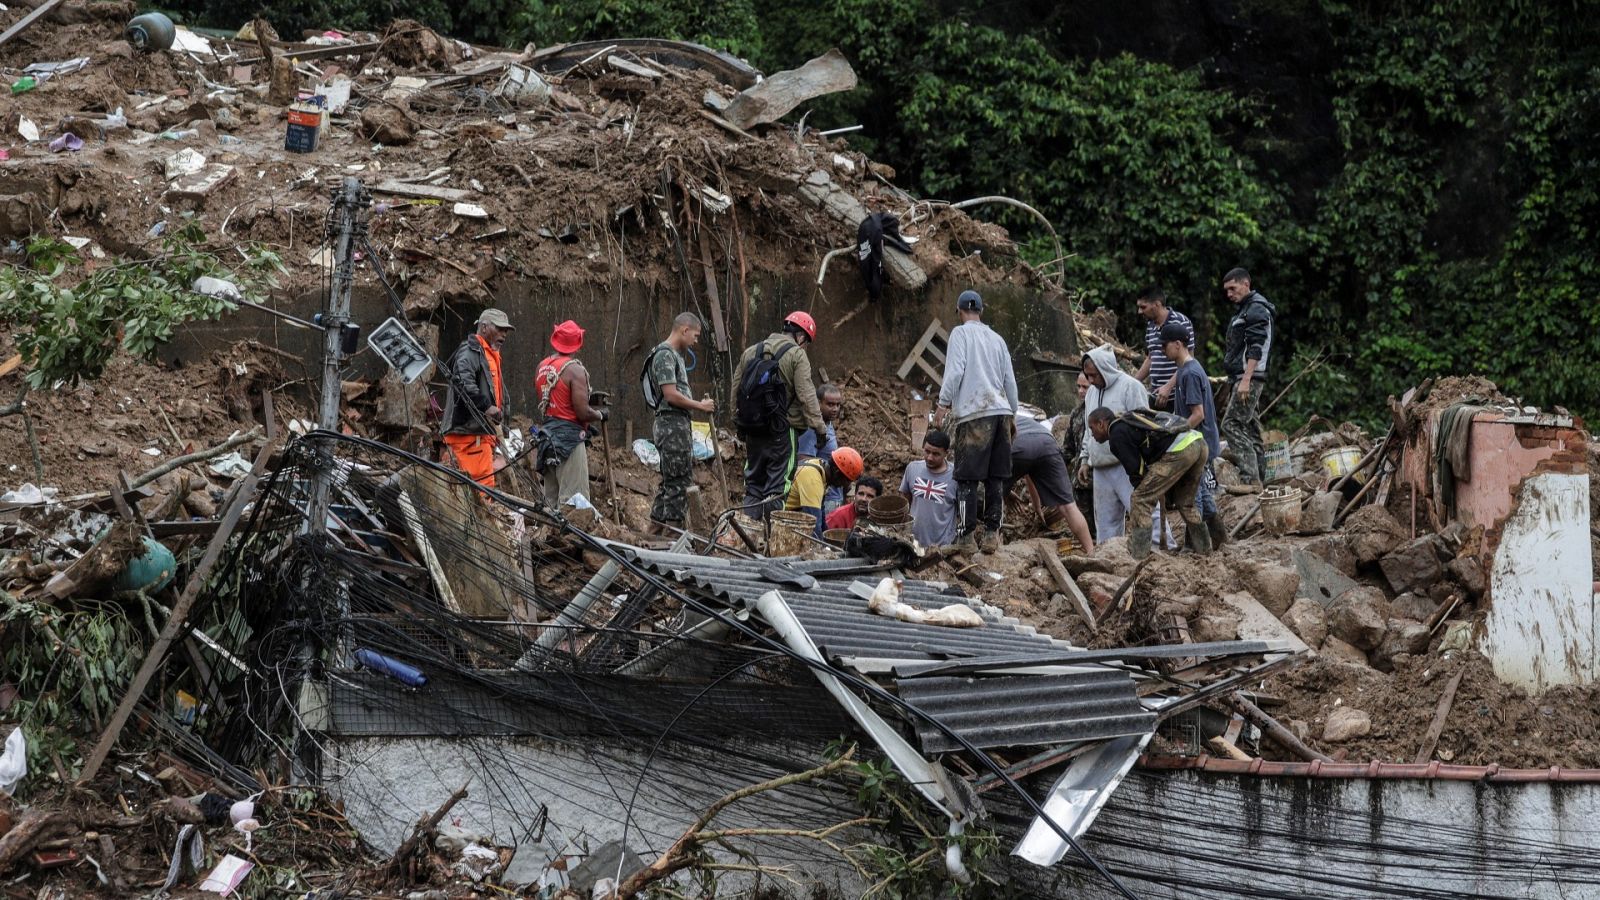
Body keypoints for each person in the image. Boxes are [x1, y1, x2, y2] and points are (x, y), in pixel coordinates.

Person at [933, 290, 1018, 553]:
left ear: (959, 310)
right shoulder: (997, 339)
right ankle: (992, 535)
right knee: (996, 478)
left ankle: (966, 537)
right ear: (981, 310)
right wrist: (1012, 413)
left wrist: (942, 404)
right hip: (1001, 413)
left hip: (974, 414)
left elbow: (956, 370)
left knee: (967, 478)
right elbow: (1009, 381)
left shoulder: (960, 334)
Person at [1087, 407, 1211, 560]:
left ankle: (1138, 556)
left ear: (1101, 424)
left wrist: (1145, 490)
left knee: (1139, 500)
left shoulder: (1116, 435)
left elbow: (1136, 470)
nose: (1092, 435)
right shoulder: (1127, 420)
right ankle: (1205, 550)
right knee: (1185, 503)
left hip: (1180, 450)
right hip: (1197, 442)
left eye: (1092, 429)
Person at [736, 311, 825, 517]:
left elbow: (737, 391)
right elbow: (806, 395)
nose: (805, 347)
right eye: (807, 343)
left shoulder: (750, 352)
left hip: (753, 430)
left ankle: (748, 532)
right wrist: (820, 429)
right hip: (783, 432)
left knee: (754, 485)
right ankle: (769, 538)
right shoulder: (797, 354)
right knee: (778, 487)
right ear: (801, 336)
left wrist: (739, 424)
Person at [643, 313, 715, 533]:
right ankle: (673, 539)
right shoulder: (665, 355)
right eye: (696, 334)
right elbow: (671, 395)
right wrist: (700, 406)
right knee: (679, 483)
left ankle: (655, 534)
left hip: (674, 424)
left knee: (670, 482)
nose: (696, 340)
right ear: (684, 330)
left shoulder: (672, 355)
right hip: (672, 426)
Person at [1161, 321, 1227, 548]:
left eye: (1164, 346)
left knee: (1191, 496)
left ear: (1178, 344)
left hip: (1199, 443)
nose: (1162, 351)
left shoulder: (1189, 373)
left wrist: (1176, 434)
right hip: (1201, 441)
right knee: (1202, 494)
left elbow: (1197, 414)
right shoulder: (1185, 370)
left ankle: (1197, 546)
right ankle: (1219, 537)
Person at [1077, 344, 1149, 542]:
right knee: (1106, 525)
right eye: (1087, 376)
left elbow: (1144, 426)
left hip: (1128, 466)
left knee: (1144, 513)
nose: (1091, 381)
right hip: (1101, 468)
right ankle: (1109, 560)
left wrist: (1144, 463)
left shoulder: (1130, 387)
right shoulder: (1092, 392)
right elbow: (1088, 430)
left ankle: (1160, 555)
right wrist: (1085, 459)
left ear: (1105, 369)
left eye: (1094, 375)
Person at [533, 320, 606, 508]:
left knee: (551, 502)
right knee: (575, 503)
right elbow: (582, 412)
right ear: (578, 342)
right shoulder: (575, 370)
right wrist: (600, 415)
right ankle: (570, 538)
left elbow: (556, 400)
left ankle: (547, 536)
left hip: (547, 438)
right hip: (569, 441)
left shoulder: (542, 366)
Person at [440, 308, 513, 488]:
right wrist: (487, 407)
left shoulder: (488, 353)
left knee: (479, 489)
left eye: (506, 330)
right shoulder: (471, 351)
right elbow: (462, 383)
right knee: (480, 490)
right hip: (469, 435)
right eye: (500, 328)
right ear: (484, 327)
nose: (504, 334)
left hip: (479, 434)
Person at [1010, 410, 1095, 554]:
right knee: (1068, 506)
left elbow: (996, 480)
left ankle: (994, 546)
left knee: (993, 497)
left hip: (1018, 445)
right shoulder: (1024, 420)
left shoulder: (995, 420)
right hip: (1047, 442)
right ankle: (1091, 551)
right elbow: (1030, 472)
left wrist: (1003, 492)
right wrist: (1037, 507)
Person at [1220, 268, 1276, 485]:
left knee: (1231, 424)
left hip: (1249, 378)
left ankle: (1250, 479)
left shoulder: (1256, 309)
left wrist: (1245, 379)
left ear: (1246, 284)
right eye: (1226, 291)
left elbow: (1256, 346)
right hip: (1246, 377)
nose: (1229, 294)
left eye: (1233, 288)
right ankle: (1262, 480)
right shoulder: (1247, 309)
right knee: (1251, 428)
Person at [1131, 286, 1195, 408]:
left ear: (1157, 304)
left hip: (1177, 397)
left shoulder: (1180, 322)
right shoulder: (1150, 325)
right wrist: (1133, 382)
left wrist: (1169, 386)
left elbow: (1189, 361)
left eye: (1143, 307)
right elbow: (1151, 357)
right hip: (1157, 394)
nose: (1139, 311)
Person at [785, 447, 864, 538]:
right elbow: (813, 524)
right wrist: (824, 549)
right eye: (847, 481)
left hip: (791, 515)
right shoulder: (813, 479)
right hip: (781, 517)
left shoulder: (821, 467)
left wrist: (827, 537)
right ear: (837, 473)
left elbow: (821, 516)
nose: (846, 486)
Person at [900, 430, 958, 551]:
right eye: (927, 451)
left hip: (942, 547)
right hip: (913, 542)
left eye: (936, 454)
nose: (930, 457)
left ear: (946, 453)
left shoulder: (956, 476)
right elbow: (905, 500)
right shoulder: (913, 468)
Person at [797, 383, 845, 514]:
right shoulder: (812, 428)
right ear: (818, 403)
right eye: (830, 404)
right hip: (822, 497)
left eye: (838, 405)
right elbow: (804, 463)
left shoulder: (827, 424)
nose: (835, 409)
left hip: (834, 495)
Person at [1062, 372, 1095, 526]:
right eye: (1079, 386)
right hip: (1079, 483)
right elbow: (1068, 449)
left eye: (1085, 387)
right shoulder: (1076, 413)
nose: (1081, 391)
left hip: (1098, 480)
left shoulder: (1100, 412)